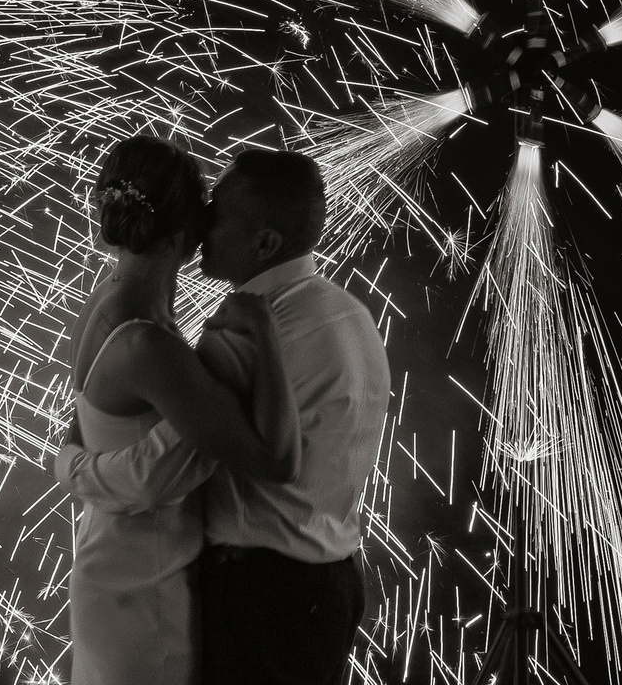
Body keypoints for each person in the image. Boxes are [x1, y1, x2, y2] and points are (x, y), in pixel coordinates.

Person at [55, 149, 391, 685]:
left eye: (221, 211)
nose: (208, 222)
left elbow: (158, 473)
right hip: (336, 585)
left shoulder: (234, 337)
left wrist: (72, 467)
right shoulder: (352, 316)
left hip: (256, 593)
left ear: (265, 243)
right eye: (204, 208)